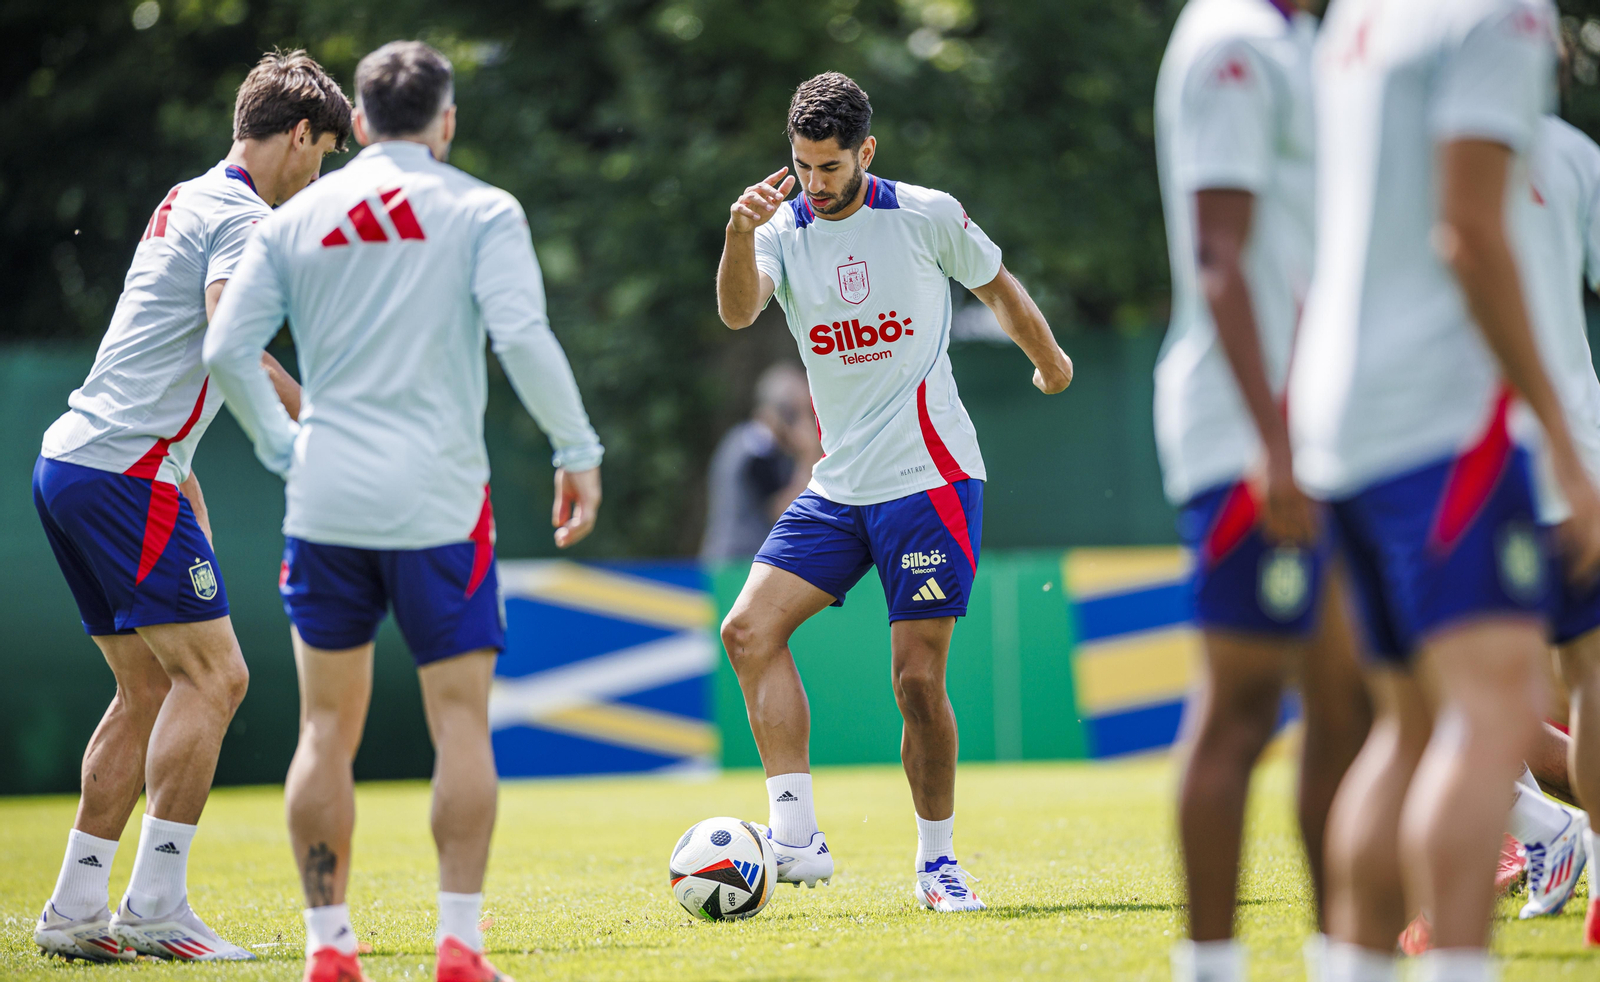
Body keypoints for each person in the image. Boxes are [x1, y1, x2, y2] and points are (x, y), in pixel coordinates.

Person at [203, 40, 604, 982]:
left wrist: (278, 445)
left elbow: (228, 350)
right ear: (447, 120)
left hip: (327, 496)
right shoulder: (481, 208)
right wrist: (577, 450)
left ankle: (329, 946)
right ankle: (459, 945)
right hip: (440, 503)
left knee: (321, 732)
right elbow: (523, 336)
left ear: (365, 123)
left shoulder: (294, 219)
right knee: (460, 721)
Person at [715, 72, 1073, 913]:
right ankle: (796, 839)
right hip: (839, 488)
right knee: (747, 630)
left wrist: (1048, 361)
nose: (813, 182)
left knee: (915, 682)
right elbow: (738, 314)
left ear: (865, 152)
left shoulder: (924, 214)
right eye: (801, 165)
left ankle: (938, 864)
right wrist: (737, 236)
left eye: (830, 166)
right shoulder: (777, 231)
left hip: (930, 479)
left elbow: (998, 286)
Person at [1292, 3, 1600, 981]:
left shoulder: (1357, 23)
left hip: (1344, 416)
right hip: (1452, 422)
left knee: (1406, 727)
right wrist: (1557, 428)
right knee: (1486, 712)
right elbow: (1466, 231)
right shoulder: (1495, 18)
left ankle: (1356, 965)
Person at [30, 50, 348, 963]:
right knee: (219, 679)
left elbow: (162, 366)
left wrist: (186, 480)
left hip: (78, 464)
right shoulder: (247, 220)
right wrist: (308, 428)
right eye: (322, 153)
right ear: (297, 136)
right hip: (122, 473)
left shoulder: (189, 194)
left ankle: (75, 910)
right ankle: (156, 905)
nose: (316, 173)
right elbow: (223, 340)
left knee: (147, 688)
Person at [1152, 0, 1370, 977]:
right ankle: (1210, 961)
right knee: (1241, 706)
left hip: (1311, 427)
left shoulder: (1295, 37)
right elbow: (1216, 257)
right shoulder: (1233, 40)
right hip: (1251, 435)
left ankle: (1342, 953)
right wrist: (1276, 443)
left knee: (1346, 708)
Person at [700, 362, 822, 563]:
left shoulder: (747, 441)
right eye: (798, 412)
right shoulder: (756, 450)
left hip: (733, 560)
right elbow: (784, 510)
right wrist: (808, 455)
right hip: (738, 562)